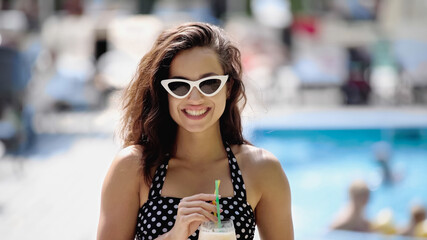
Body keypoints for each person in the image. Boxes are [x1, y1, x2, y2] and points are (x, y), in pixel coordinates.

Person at [97, 22, 294, 240]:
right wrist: (173, 236)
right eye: (179, 85)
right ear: (165, 93)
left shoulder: (263, 169)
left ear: (228, 88)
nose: (195, 98)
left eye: (209, 84)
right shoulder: (134, 167)